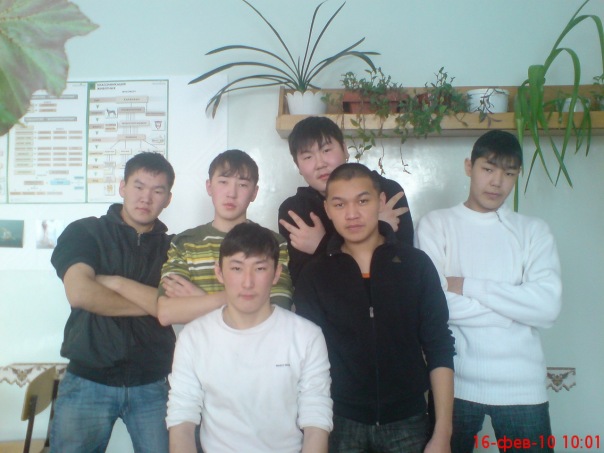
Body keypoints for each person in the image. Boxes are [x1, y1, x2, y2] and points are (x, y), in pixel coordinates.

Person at [415, 130, 562, 453]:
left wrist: (468, 285)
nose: (497, 182)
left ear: (517, 175)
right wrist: (516, 307)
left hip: (523, 389)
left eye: (509, 173)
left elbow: (547, 308)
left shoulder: (533, 232)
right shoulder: (435, 224)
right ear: (469, 166)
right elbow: (434, 307)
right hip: (453, 384)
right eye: (488, 169)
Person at [294, 163, 455, 453]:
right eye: (340, 204)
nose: (352, 214)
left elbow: (439, 344)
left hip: (408, 421)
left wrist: (443, 432)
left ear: (380, 201)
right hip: (339, 422)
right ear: (328, 209)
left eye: (362, 201)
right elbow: (306, 362)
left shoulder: (415, 265)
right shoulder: (314, 275)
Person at [166, 222, 333, 453]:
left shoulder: (307, 336)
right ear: (219, 272)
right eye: (236, 268)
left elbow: (316, 417)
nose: (247, 282)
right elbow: (182, 418)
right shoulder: (193, 337)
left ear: (276, 273)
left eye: (260, 268)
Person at [50, 152, 176, 453]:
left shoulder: (175, 249)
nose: (146, 198)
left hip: (152, 383)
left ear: (168, 199)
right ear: (122, 187)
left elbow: (181, 306)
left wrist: (117, 283)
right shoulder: (86, 232)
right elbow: (80, 293)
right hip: (87, 381)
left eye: (157, 191)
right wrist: (156, 306)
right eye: (138, 186)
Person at [157, 149, 292, 326]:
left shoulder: (273, 243)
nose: (231, 193)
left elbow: (278, 313)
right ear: (209, 186)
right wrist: (246, 300)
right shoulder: (185, 243)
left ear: (254, 193)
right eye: (223, 182)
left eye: (242, 185)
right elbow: (167, 313)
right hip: (201, 344)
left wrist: (200, 298)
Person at [278, 116, 413, 284]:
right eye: (307, 157)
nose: (320, 164)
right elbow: (304, 283)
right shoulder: (295, 210)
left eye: (326, 150)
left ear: (345, 149)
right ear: (298, 166)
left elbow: (405, 268)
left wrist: (320, 246)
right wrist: (378, 232)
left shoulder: (386, 191)